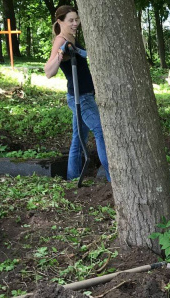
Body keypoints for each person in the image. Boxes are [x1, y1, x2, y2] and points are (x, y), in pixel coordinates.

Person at [44, 5, 110, 182]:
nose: (75, 23)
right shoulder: (60, 39)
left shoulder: (72, 37)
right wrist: (60, 53)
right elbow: (48, 72)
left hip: (85, 94)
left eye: (77, 19)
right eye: (71, 20)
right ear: (60, 22)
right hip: (79, 97)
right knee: (100, 131)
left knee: (78, 138)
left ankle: (72, 178)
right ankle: (113, 178)